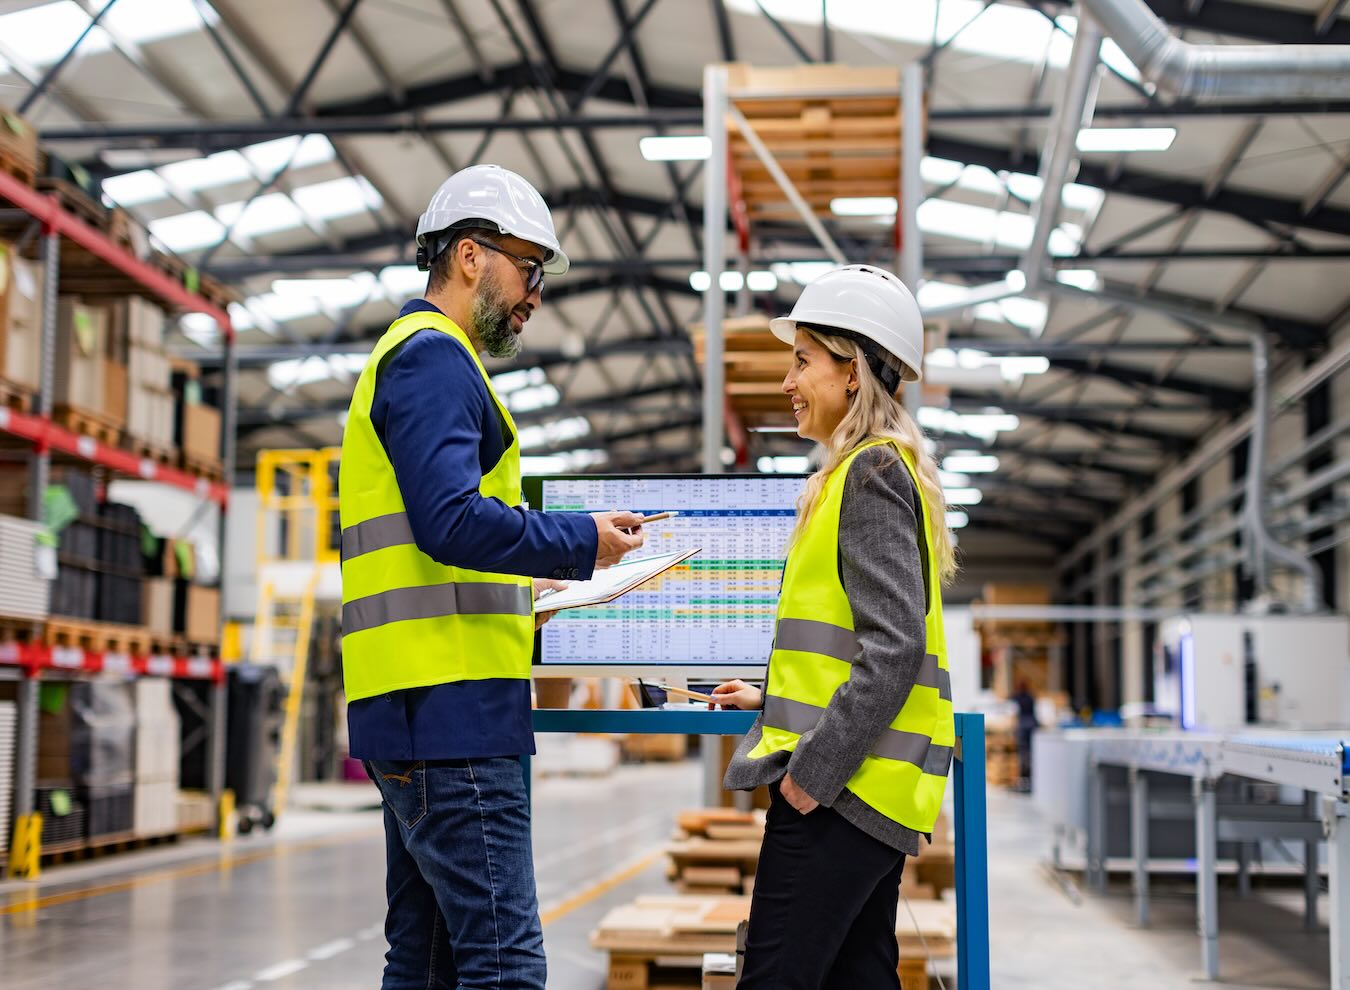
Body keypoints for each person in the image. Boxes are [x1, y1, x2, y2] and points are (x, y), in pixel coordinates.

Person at [338, 164, 647, 990]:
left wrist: (527, 592)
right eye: (528, 267)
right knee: (505, 965)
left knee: (430, 957)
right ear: (470, 257)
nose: (535, 293)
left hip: (422, 702)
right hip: (452, 712)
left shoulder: (416, 359)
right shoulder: (434, 360)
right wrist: (578, 540)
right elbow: (448, 524)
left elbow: (428, 545)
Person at [710, 265, 958, 989]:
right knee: (860, 978)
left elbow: (895, 646)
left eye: (802, 360)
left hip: (841, 792)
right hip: (865, 792)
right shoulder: (865, 473)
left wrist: (809, 780)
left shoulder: (871, 474)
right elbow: (849, 642)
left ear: (852, 373)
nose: (788, 381)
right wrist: (769, 697)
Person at [1012, 679, 1039, 791]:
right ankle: (1030, 779)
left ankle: (1024, 780)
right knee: (1030, 753)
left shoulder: (1018, 697)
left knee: (1023, 754)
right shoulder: (1031, 697)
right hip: (1031, 725)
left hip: (1024, 726)